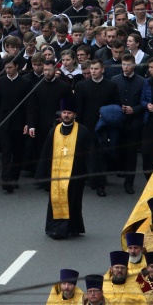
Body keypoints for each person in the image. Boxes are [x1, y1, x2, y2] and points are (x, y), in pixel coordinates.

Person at [35, 98, 94, 239]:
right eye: (64, 112)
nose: (66, 115)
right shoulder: (54, 131)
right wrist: (42, 173)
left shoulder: (83, 131)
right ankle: (55, 229)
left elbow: (90, 154)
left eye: (69, 113)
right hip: (56, 174)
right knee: (55, 200)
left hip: (75, 174)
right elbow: (46, 153)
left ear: (75, 115)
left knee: (73, 201)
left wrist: (91, 174)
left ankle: (72, 228)